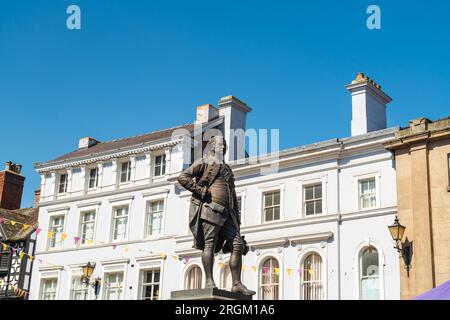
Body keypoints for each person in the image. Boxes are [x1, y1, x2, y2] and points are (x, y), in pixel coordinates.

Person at [177, 136, 255, 295]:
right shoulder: (204, 162)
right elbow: (183, 177)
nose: (224, 147)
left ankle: (236, 284)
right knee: (209, 245)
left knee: (237, 245)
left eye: (225, 145)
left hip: (228, 213)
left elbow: (232, 192)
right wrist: (200, 190)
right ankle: (209, 281)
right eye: (221, 144)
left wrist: (237, 218)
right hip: (211, 209)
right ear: (212, 146)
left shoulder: (227, 168)